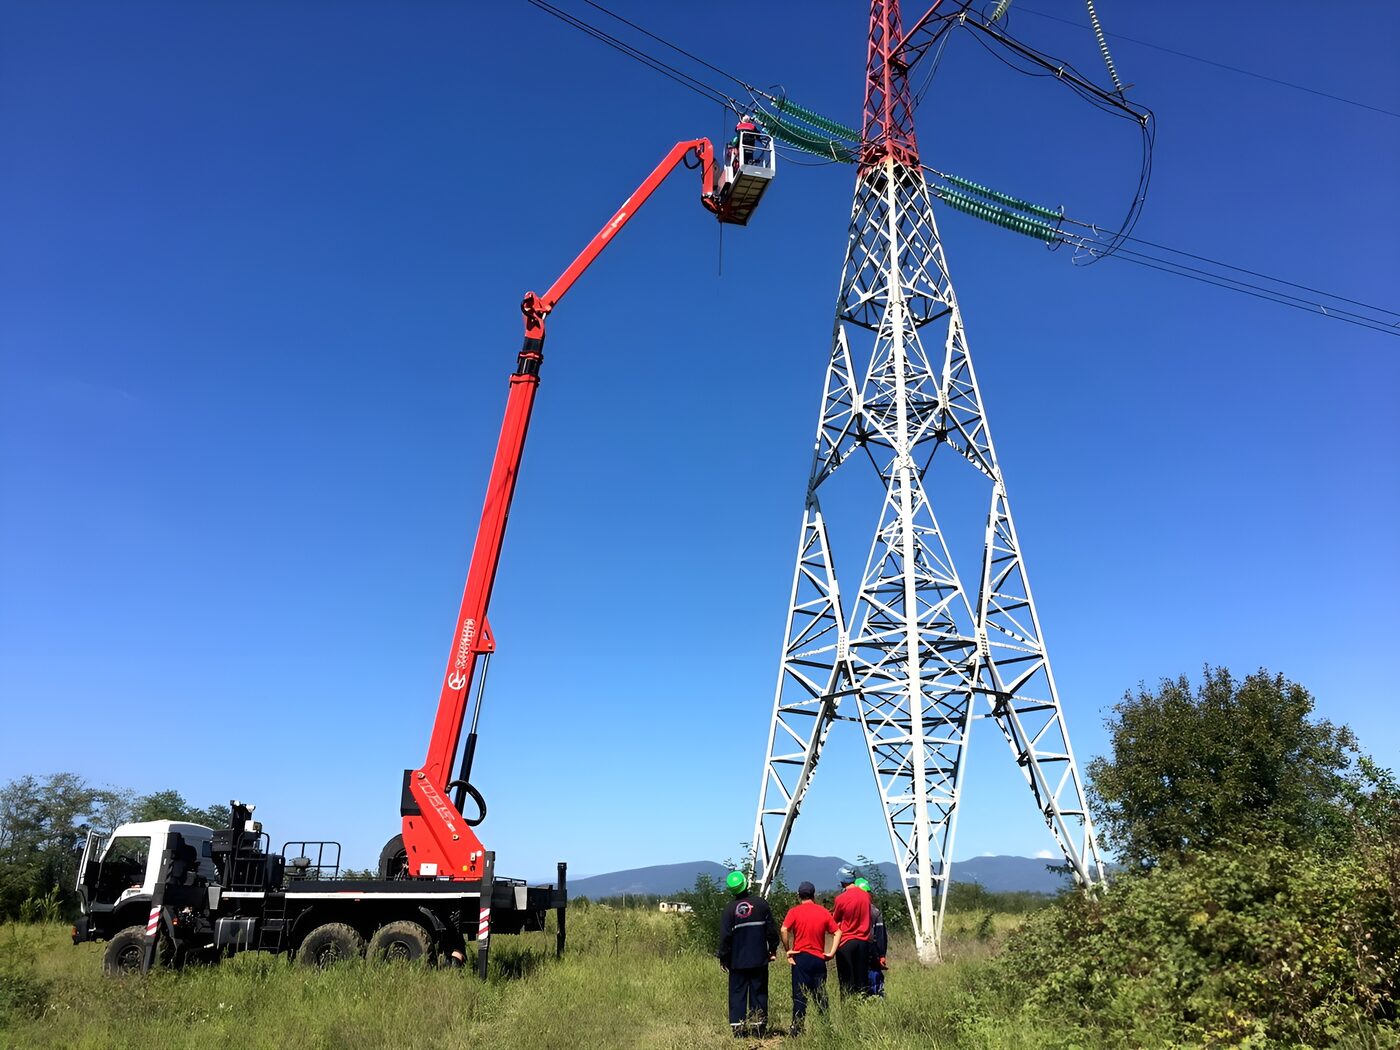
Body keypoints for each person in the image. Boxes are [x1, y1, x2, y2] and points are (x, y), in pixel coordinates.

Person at [717, 870, 779, 1038]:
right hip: (759, 959)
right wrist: (773, 949)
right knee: (759, 993)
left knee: (737, 994)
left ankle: (738, 1030)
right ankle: (759, 1028)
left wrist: (723, 957)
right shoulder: (761, 904)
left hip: (737, 962)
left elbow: (725, 937)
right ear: (746, 884)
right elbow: (771, 931)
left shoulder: (729, 911)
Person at [780, 880, 838, 1035]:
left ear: (799, 895)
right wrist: (831, 953)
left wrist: (788, 950)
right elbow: (838, 932)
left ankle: (797, 1028)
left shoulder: (794, 912)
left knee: (799, 995)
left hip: (800, 958)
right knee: (820, 994)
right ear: (814, 895)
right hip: (818, 959)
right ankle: (826, 1026)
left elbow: (784, 929)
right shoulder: (823, 912)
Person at [831, 866, 872, 998]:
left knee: (846, 981)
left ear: (843, 880)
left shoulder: (840, 899)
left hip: (846, 942)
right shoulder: (866, 896)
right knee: (862, 980)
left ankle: (848, 1010)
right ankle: (863, 1005)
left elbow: (834, 920)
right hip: (863, 942)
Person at [854, 877, 887, 997]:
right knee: (874, 978)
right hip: (872, 951)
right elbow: (880, 935)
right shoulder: (875, 911)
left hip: (857, 950)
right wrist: (882, 954)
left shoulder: (853, 910)